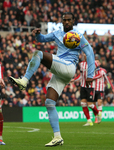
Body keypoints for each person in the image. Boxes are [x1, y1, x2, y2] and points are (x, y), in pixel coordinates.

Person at [9, 12, 95, 147]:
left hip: (68, 67)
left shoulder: (78, 36)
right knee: (49, 103)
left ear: (73, 21)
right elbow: (41, 39)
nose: (66, 22)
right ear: (62, 21)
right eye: (64, 20)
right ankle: (57, 137)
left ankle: (24, 80)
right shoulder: (57, 33)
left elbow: (89, 53)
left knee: (38, 54)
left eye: (69, 20)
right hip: (60, 71)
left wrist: (90, 74)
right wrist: (37, 34)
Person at [71, 55, 102, 126]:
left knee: (90, 104)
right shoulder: (81, 64)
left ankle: (98, 113)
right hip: (83, 86)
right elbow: (81, 76)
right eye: (84, 54)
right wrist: (74, 80)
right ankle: (89, 121)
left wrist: (92, 78)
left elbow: (99, 75)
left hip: (90, 86)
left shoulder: (95, 63)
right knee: (83, 103)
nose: (85, 55)